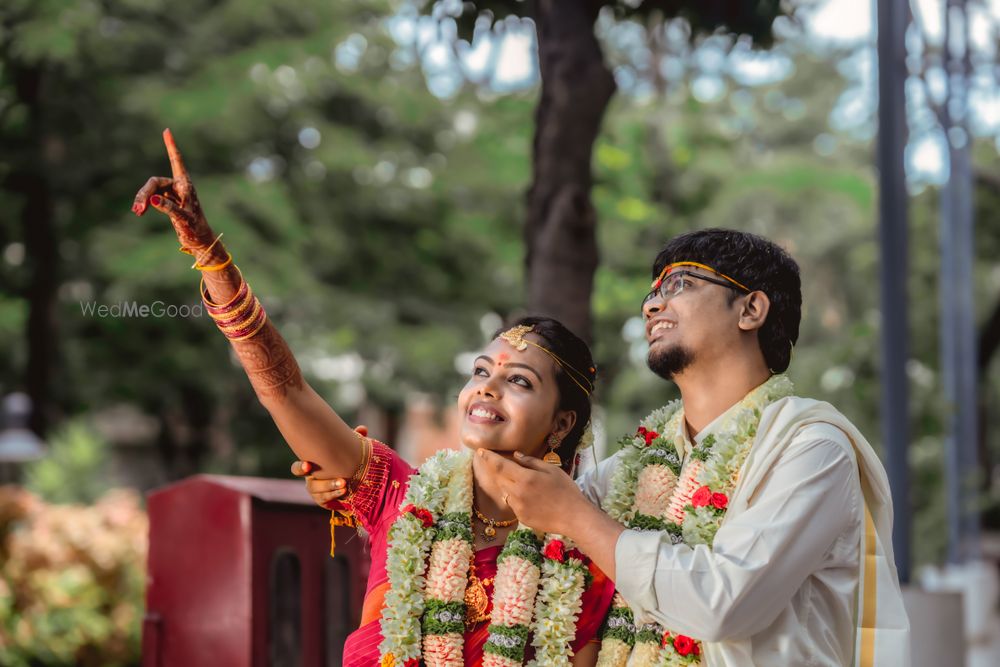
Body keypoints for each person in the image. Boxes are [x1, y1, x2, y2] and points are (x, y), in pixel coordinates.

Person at [304, 229, 911, 666]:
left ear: (751, 308)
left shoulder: (811, 448)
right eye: (652, 291)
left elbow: (726, 605)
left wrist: (575, 516)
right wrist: (363, 481)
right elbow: (513, 493)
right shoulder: (640, 466)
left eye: (680, 285)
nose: (652, 303)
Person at [132, 129, 614, 667]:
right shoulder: (401, 496)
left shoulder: (583, 562)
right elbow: (286, 392)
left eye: (519, 380)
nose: (487, 385)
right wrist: (208, 253)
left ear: (561, 422)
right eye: (481, 370)